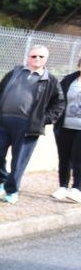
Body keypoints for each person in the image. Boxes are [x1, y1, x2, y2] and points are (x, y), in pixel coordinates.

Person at [0, 45, 64, 204]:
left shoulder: (51, 80)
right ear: (28, 57)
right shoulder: (15, 73)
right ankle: (3, 179)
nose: (37, 59)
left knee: (19, 161)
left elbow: (59, 104)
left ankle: (12, 191)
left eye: (41, 57)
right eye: (34, 56)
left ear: (46, 59)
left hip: (28, 127)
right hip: (4, 122)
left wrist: (43, 119)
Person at [52, 55, 81, 203]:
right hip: (64, 126)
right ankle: (62, 186)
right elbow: (57, 98)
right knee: (64, 157)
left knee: (78, 157)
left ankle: (77, 188)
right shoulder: (69, 80)